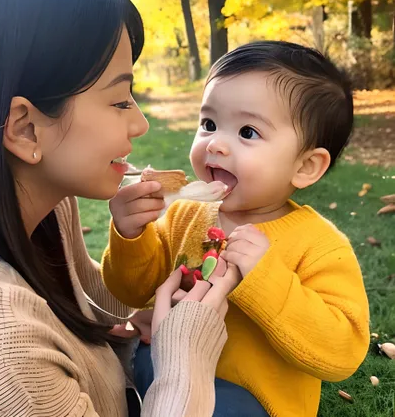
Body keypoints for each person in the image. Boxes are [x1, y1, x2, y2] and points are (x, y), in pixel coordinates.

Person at [0, 0, 240, 415]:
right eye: (119, 100)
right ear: (26, 127)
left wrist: (146, 308)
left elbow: (87, 294)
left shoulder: (41, 198)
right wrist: (183, 362)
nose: (140, 125)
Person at [102, 41, 371, 416]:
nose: (216, 144)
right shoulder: (185, 215)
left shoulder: (319, 245)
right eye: (209, 124)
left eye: (247, 132)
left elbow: (342, 352)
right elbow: (131, 290)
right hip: (165, 373)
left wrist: (266, 280)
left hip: (251, 404)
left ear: (306, 166)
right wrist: (131, 237)